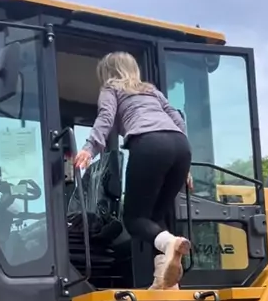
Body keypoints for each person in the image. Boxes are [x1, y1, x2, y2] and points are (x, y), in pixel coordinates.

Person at [74, 51, 192, 289]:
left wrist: (89, 148)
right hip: (181, 147)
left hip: (150, 144)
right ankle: (166, 282)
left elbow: (106, 117)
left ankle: (170, 245)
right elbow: (178, 121)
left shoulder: (111, 88)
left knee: (134, 219)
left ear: (107, 73)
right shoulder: (152, 91)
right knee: (155, 218)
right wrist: (186, 168)